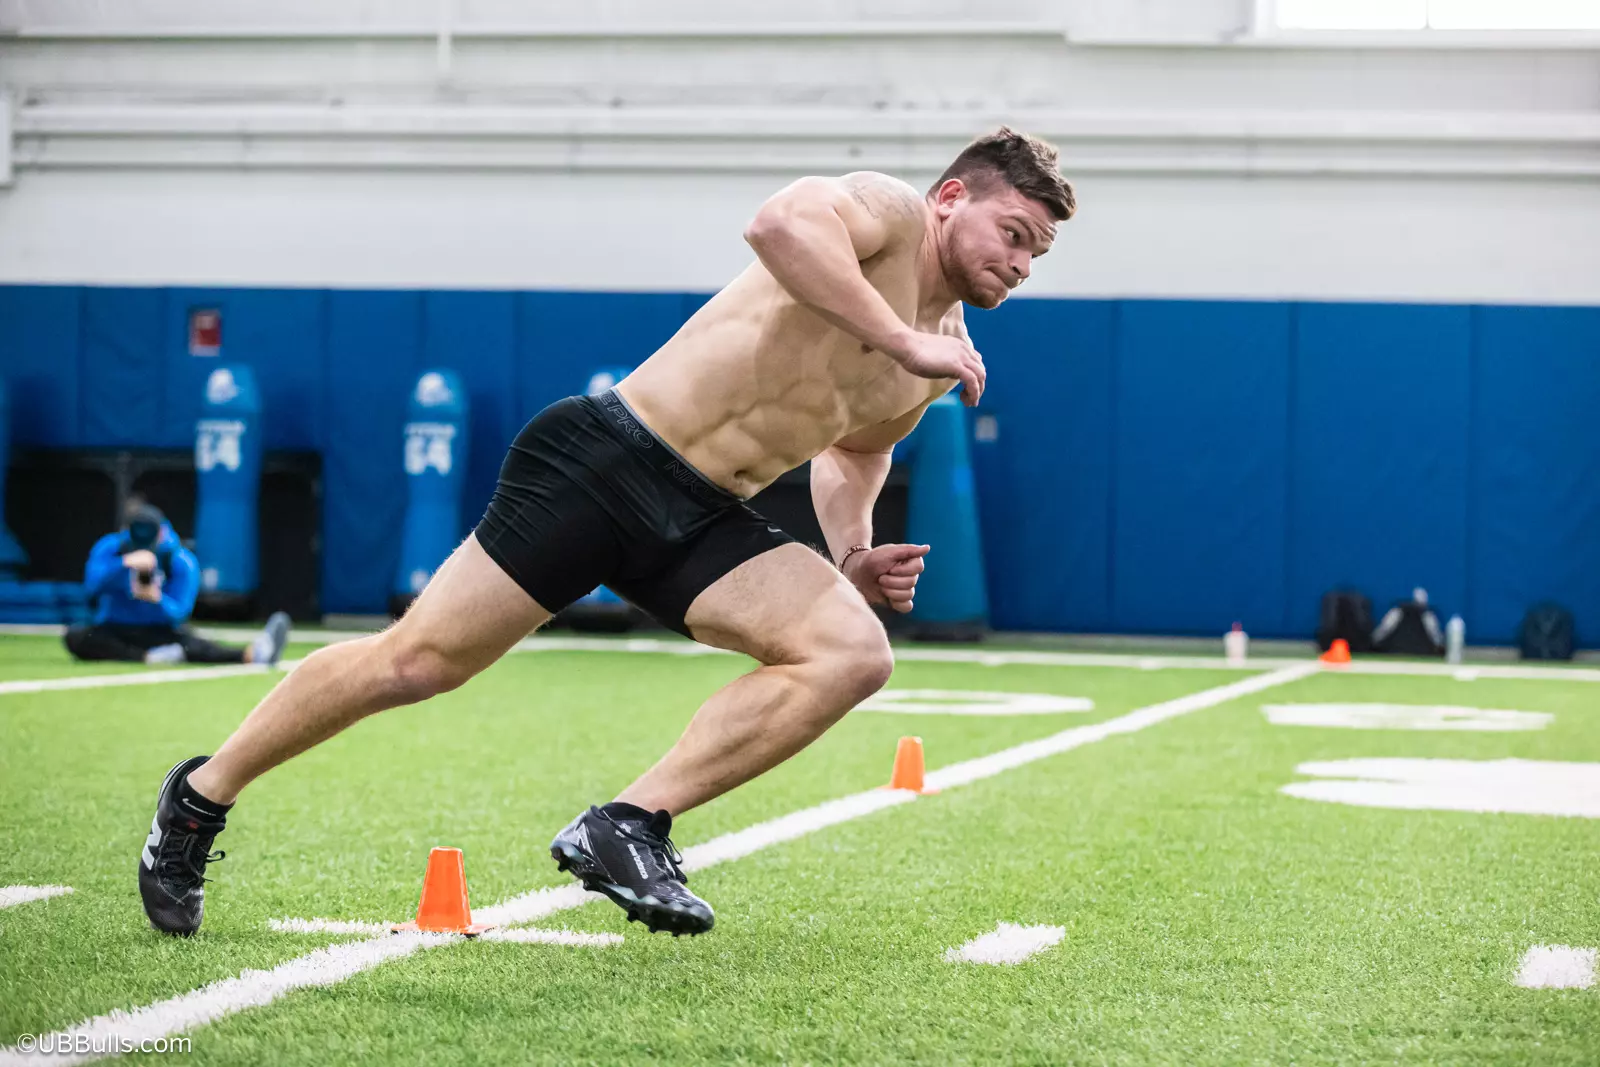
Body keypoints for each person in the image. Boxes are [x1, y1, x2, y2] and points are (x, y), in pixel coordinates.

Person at [138, 127, 1075, 938]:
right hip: (607, 458)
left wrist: (854, 550)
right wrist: (908, 339)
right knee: (419, 663)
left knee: (850, 652)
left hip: (704, 515)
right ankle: (199, 796)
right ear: (951, 199)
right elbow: (779, 226)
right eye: (1014, 235)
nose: (1021, 265)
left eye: (1037, 254)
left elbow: (854, 450)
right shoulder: (888, 213)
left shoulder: (939, 354)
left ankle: (627, 823)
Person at [67, 500, 291, 667]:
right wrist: (123, 564)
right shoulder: (111, 548)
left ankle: (254, 654)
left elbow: (179, 612)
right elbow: (92, 587)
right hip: (114, 628)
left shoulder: (180, 561)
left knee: (194, 645)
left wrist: (157, 599)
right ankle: (148, 658)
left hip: (161, 631)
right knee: (78, 637)